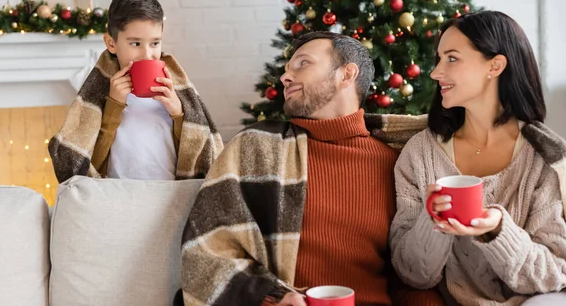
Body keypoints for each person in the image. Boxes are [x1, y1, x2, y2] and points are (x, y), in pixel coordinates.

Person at [180, 32, 443, 305]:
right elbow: (206, 250)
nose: (285, 76)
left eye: (302, 64)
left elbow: (408, 273)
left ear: (346, 75)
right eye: (286, 70)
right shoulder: (256, 148)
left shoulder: (395, 163)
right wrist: (271, 299)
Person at [390, 10, 566, 305]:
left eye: (452, 58)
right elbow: (413, 274)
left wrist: (497, 231)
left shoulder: (544, 159)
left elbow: (555, 272)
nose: (435, 73)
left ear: (495, 66)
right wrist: (432, 222)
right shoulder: (420, 154)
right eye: (439, 58)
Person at [49, 0, 223, 182]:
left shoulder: (176, 90)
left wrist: (179, 114)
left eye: (155, 43)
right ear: (111, 43)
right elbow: (89, 163)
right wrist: (114, 107)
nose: (147, 54)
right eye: (135, 43)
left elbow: (199, 155)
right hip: (119, 195)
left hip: (170, 194)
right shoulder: (98, 93)